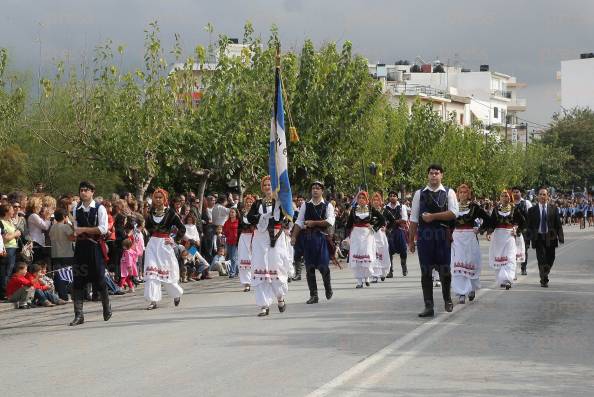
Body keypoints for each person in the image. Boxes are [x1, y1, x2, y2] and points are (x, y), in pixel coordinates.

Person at [409, 164, 459, 318]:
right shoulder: (419, 194)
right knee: (425, 272)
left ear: (442, 175)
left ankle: (447, 299)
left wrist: (433, 217)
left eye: (436, 173)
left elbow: (453, 213)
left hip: (442, 236)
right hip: (425, 237)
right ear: (427, 175)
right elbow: (413, 219)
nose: (433, 176)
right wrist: (411, 240)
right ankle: (428, 306)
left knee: (445, 271)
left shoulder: (449, 192)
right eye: (431, 173)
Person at [247, 176, 292, 317]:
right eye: (265, 185)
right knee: (261, 269)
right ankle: (264, 305)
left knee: (276, 267)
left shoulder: (280, 203)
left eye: (270, 185)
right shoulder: (258, 203)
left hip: (276, 238)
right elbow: (249, 218)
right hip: (260, 238)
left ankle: (280, 297)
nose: (267, 187)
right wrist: (262, 217)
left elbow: (288, 217)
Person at [69, 181, 112, 326]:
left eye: (86, 190)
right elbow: (75, 227)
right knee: (78, 280)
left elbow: (103, 229)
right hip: (81, 247)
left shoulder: (100, 209)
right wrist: (75, 232)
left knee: (99, 278)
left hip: (95, 247)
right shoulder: (76, 209)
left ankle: (106, 307)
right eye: (81, 190)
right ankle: (79, 315)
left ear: (92, 192)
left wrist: (84, 230)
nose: (83, 192)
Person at [292, 181, 335, 304]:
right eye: (313, 188)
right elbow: (299, 222)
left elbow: (330, 221)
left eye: (318, 188)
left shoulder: (328, 205)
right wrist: (294, 236)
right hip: (309, 239)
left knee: (323, 266)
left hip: (321, 239)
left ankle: (328, 287)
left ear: (322, 190)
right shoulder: (305, 205)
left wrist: (313, 223)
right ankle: (314, 295)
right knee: (309, 268)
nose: (315, 190)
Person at [143, 188, 186, 310]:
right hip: (152, 245)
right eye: (155, 197)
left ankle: (176, 294)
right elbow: (147, 228)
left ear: (164, 199)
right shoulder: (150, 213)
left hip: (164, 245)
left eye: (160, 197)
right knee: (152, 273)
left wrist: (174, 240)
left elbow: (182, 228)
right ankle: (153, 300)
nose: (157, 199)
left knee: (167, 272)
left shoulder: (171, 213)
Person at [450, 184, 491, 304]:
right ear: (457, 194)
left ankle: (472, 288)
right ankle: (461, 293)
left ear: (469, 194)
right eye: (460, 192)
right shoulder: (452, 206)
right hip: (457, 238)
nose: (463, 194)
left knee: (471, 262)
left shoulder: (474, 207)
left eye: (465, 192)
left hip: (470, 238)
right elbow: (447, 222)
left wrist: (480, 229)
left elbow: (488, 219)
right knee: (457, 264)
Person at [486, 190, 525, 291]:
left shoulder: (514, 209)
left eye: (506, 196)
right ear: (500, 198)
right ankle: (502, 280)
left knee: (510, 257)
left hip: (509, 236)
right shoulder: (495, 210)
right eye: (502, 196)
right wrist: (489, 233)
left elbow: (523, 222)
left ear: (510, 197)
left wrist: (517, 230)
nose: (504, 198)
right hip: (498, 236)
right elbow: (492, 223)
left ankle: (508, 279)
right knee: (499, 257)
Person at [346, 191, 385, 288]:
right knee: (357, 257)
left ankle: (367, 277)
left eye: (363, 198)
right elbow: (348, 224)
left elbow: (382, 220)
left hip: (368, 235)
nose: (361, 200)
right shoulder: (354, 209)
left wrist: (374, 227)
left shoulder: (371, 209)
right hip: (356, 235)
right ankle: (359, 281)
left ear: (367, 199)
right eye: (359, 198)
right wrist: (346, 237)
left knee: (367, 256)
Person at [527, 187, 564, 288]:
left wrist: (560, 237)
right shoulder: (532, 210)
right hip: (538, 238)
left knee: (551, 258)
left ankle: (545, 273)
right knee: (541, 259)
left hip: (550, 237)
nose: (542, 196)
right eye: (540, 194)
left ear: (548, 196)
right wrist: (527, 240)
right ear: (537, 196)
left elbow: (558, 224)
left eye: (544, 194)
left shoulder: (554, 208)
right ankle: (544, 279)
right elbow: (529, 226)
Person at [384, 191, 408, 278]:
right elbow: (384, 220)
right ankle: (390, 271)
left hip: (399, 230)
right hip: (389, 231)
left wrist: (393, 221)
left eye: (394, 196)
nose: (392, 197)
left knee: (403, 250)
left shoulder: (402, 207)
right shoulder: (385, 207)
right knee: (389, 251)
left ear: (397, 198)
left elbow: (404, 219)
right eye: (390, 196)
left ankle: (404, 266)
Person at [1, 204, 21, 298]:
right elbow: (5, 238)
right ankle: (5, 292)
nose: (13, 211)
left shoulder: (10, 221)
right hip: (7, 248)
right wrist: (15, 233)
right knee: (6, 271)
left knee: (10, 271)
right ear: (6, 211)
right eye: (12, 209)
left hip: (13, 247)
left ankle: (8, 290)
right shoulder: (2, 222)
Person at [370, 192, 390, 282]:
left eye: (377, 200)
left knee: (382, 254)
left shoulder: (384, 211)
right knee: (373, 254)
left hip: (381, 236)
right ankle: (375, 274)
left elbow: (393, 221)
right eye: (374, 199)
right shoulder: (369, 212)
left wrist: (387, 229)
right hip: (371, 235)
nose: (375, 201)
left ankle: (383, 272)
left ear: (380, 201)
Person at [512, 187, 532, 276]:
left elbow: (531, 217)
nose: (516, 194)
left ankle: (523, 268)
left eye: (517, 192)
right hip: (512, 230)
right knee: (512, 250)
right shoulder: (510, 204)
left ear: (521, 193)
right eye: (514, 192)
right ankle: (512, 269)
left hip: (524, 230)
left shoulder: (526, 203)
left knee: (524, 250)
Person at [237, 195, 255, 292]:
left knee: (255, 259)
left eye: (251, 202)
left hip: (254, 238)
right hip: (244, 238)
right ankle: (246, 283)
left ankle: (256, 281)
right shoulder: (242, 215)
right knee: (244, 260)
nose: (249, 204)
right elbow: (238, 228)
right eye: (247, 202)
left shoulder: (256, 214)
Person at [222, 208, 240, 278]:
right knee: (231, 257)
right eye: (230, 212)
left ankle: (232, 273)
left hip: (236, 242)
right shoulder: (227, 222)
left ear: (236, 213)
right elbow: (224, 232)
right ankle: (237, 271)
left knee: (233, 257)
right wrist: (223, 241)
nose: (231, 213)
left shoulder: (238, 221)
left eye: (233, 212)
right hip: (229, 241)